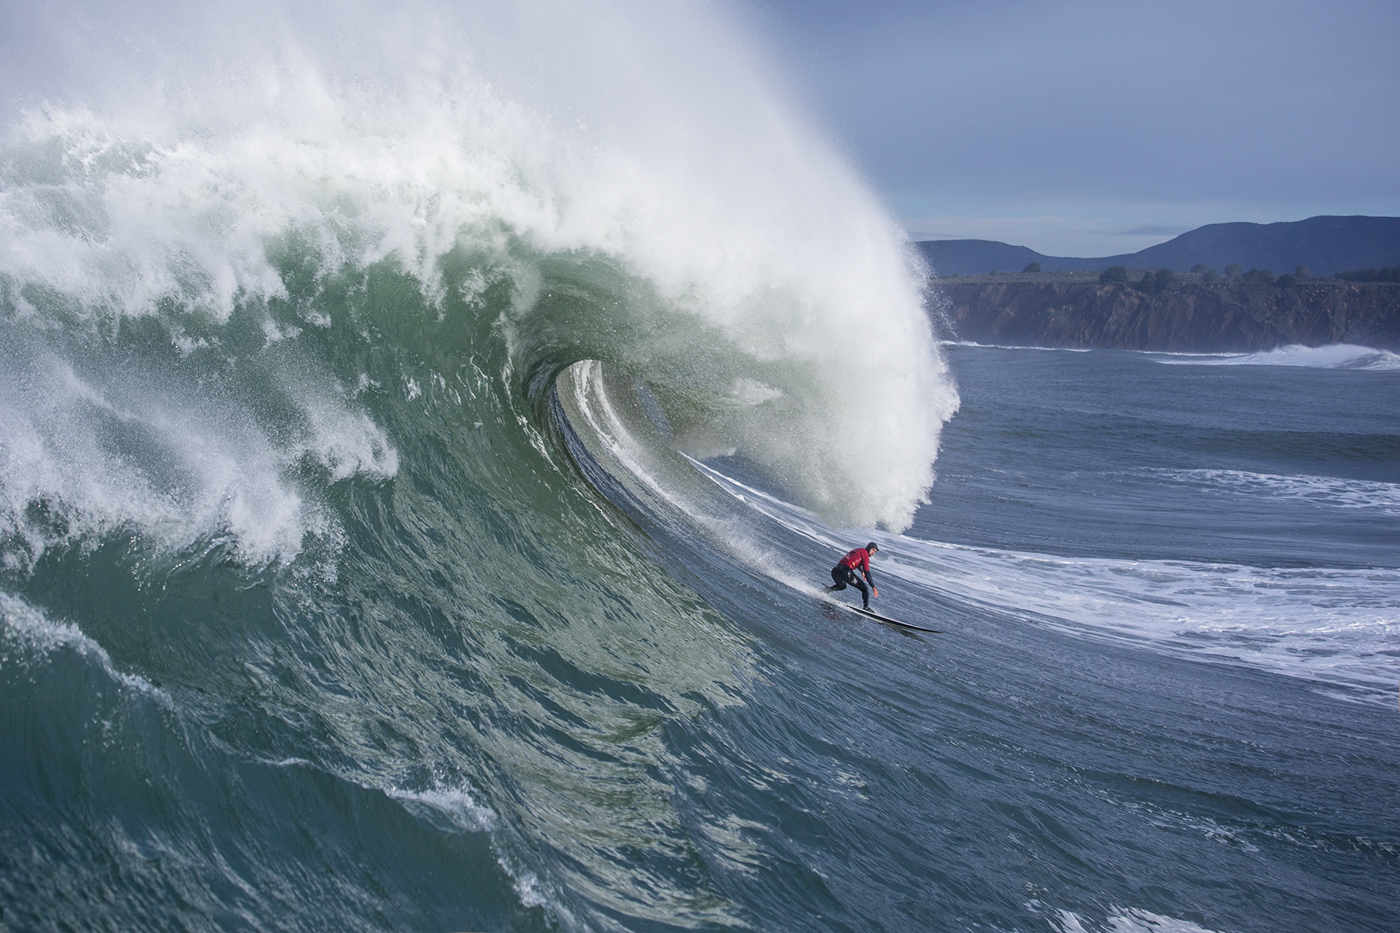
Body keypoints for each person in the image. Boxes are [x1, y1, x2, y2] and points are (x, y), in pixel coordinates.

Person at [827, 542, 879, 610]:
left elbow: (852, 560)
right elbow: (867, 572)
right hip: (846, 571)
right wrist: (873, 587)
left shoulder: (858, 550)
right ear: (868, 548)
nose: (873, 552)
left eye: (875, 551)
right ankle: (866, 607)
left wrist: (861, 571)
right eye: (872, 550)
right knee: (865, 589)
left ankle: (825, 591)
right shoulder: (865, 554)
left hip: (836, 570)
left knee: (842, 586)